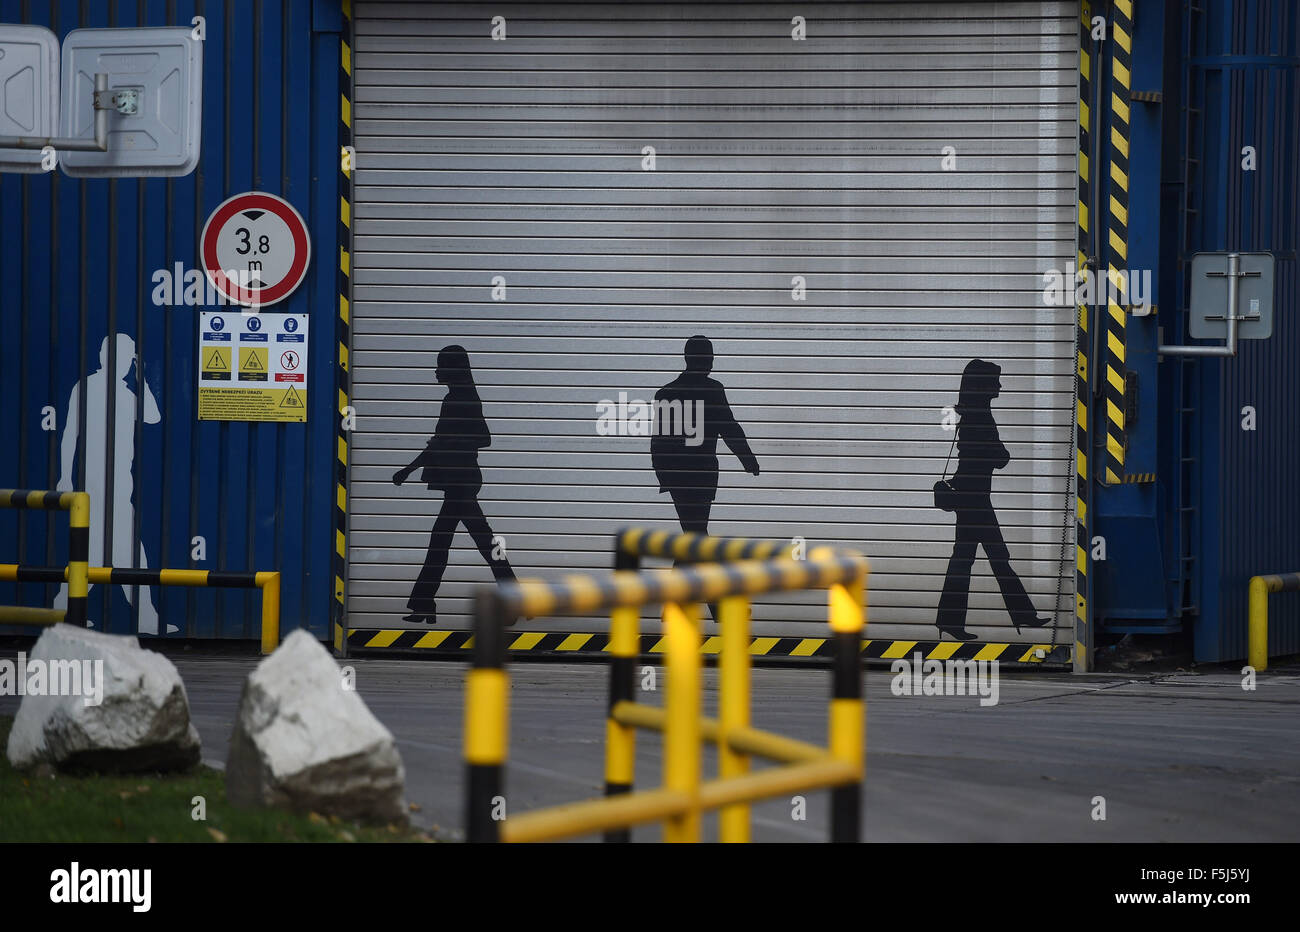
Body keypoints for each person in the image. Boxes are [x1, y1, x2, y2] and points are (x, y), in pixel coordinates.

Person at [53, 334, 173, 635]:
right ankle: (144, 616)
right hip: (96, 487)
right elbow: (71, 434)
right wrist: (65, 475)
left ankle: (61, 609)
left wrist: (141, 379)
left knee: (97, 552)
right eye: (123, 356)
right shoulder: (87, 388)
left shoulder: (125, 394)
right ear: (106, 357)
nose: (124, 363)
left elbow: (153, 416)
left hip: (120, 486)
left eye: (129, 358)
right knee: (129, 551)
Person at [393, 345, 514, 624]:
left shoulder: (463, 398)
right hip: (459, 482)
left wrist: (449, 446)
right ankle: (424, 603)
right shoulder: (454, 398)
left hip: (462, 482)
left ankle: (424, 603)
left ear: (453, 368)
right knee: (469, 543)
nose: (436, 370)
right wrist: (409, 469)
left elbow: (484, 438)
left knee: (458, 543)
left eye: (441, 365)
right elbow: (437, 442)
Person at [934, 358, 1050, 641]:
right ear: (982, 385)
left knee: (977, 558)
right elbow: (998, 457)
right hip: (973, 498)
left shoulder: (974, 414)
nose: (1000, 385)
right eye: (994, 381)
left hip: (972, 496)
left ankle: (952, 620)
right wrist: (1000, 454)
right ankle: (1018, 615)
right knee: (981, 558)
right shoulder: (980, 417)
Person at [651, 335, 760, 536]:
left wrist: (663, 474)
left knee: (693, 533)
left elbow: (659, 442)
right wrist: (747, 458)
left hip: (678, 476)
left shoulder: (666, 393)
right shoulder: (712, 390)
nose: (710, 362)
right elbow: (729, 428)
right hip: (701, 473)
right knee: (696, 533)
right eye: (708, 357)